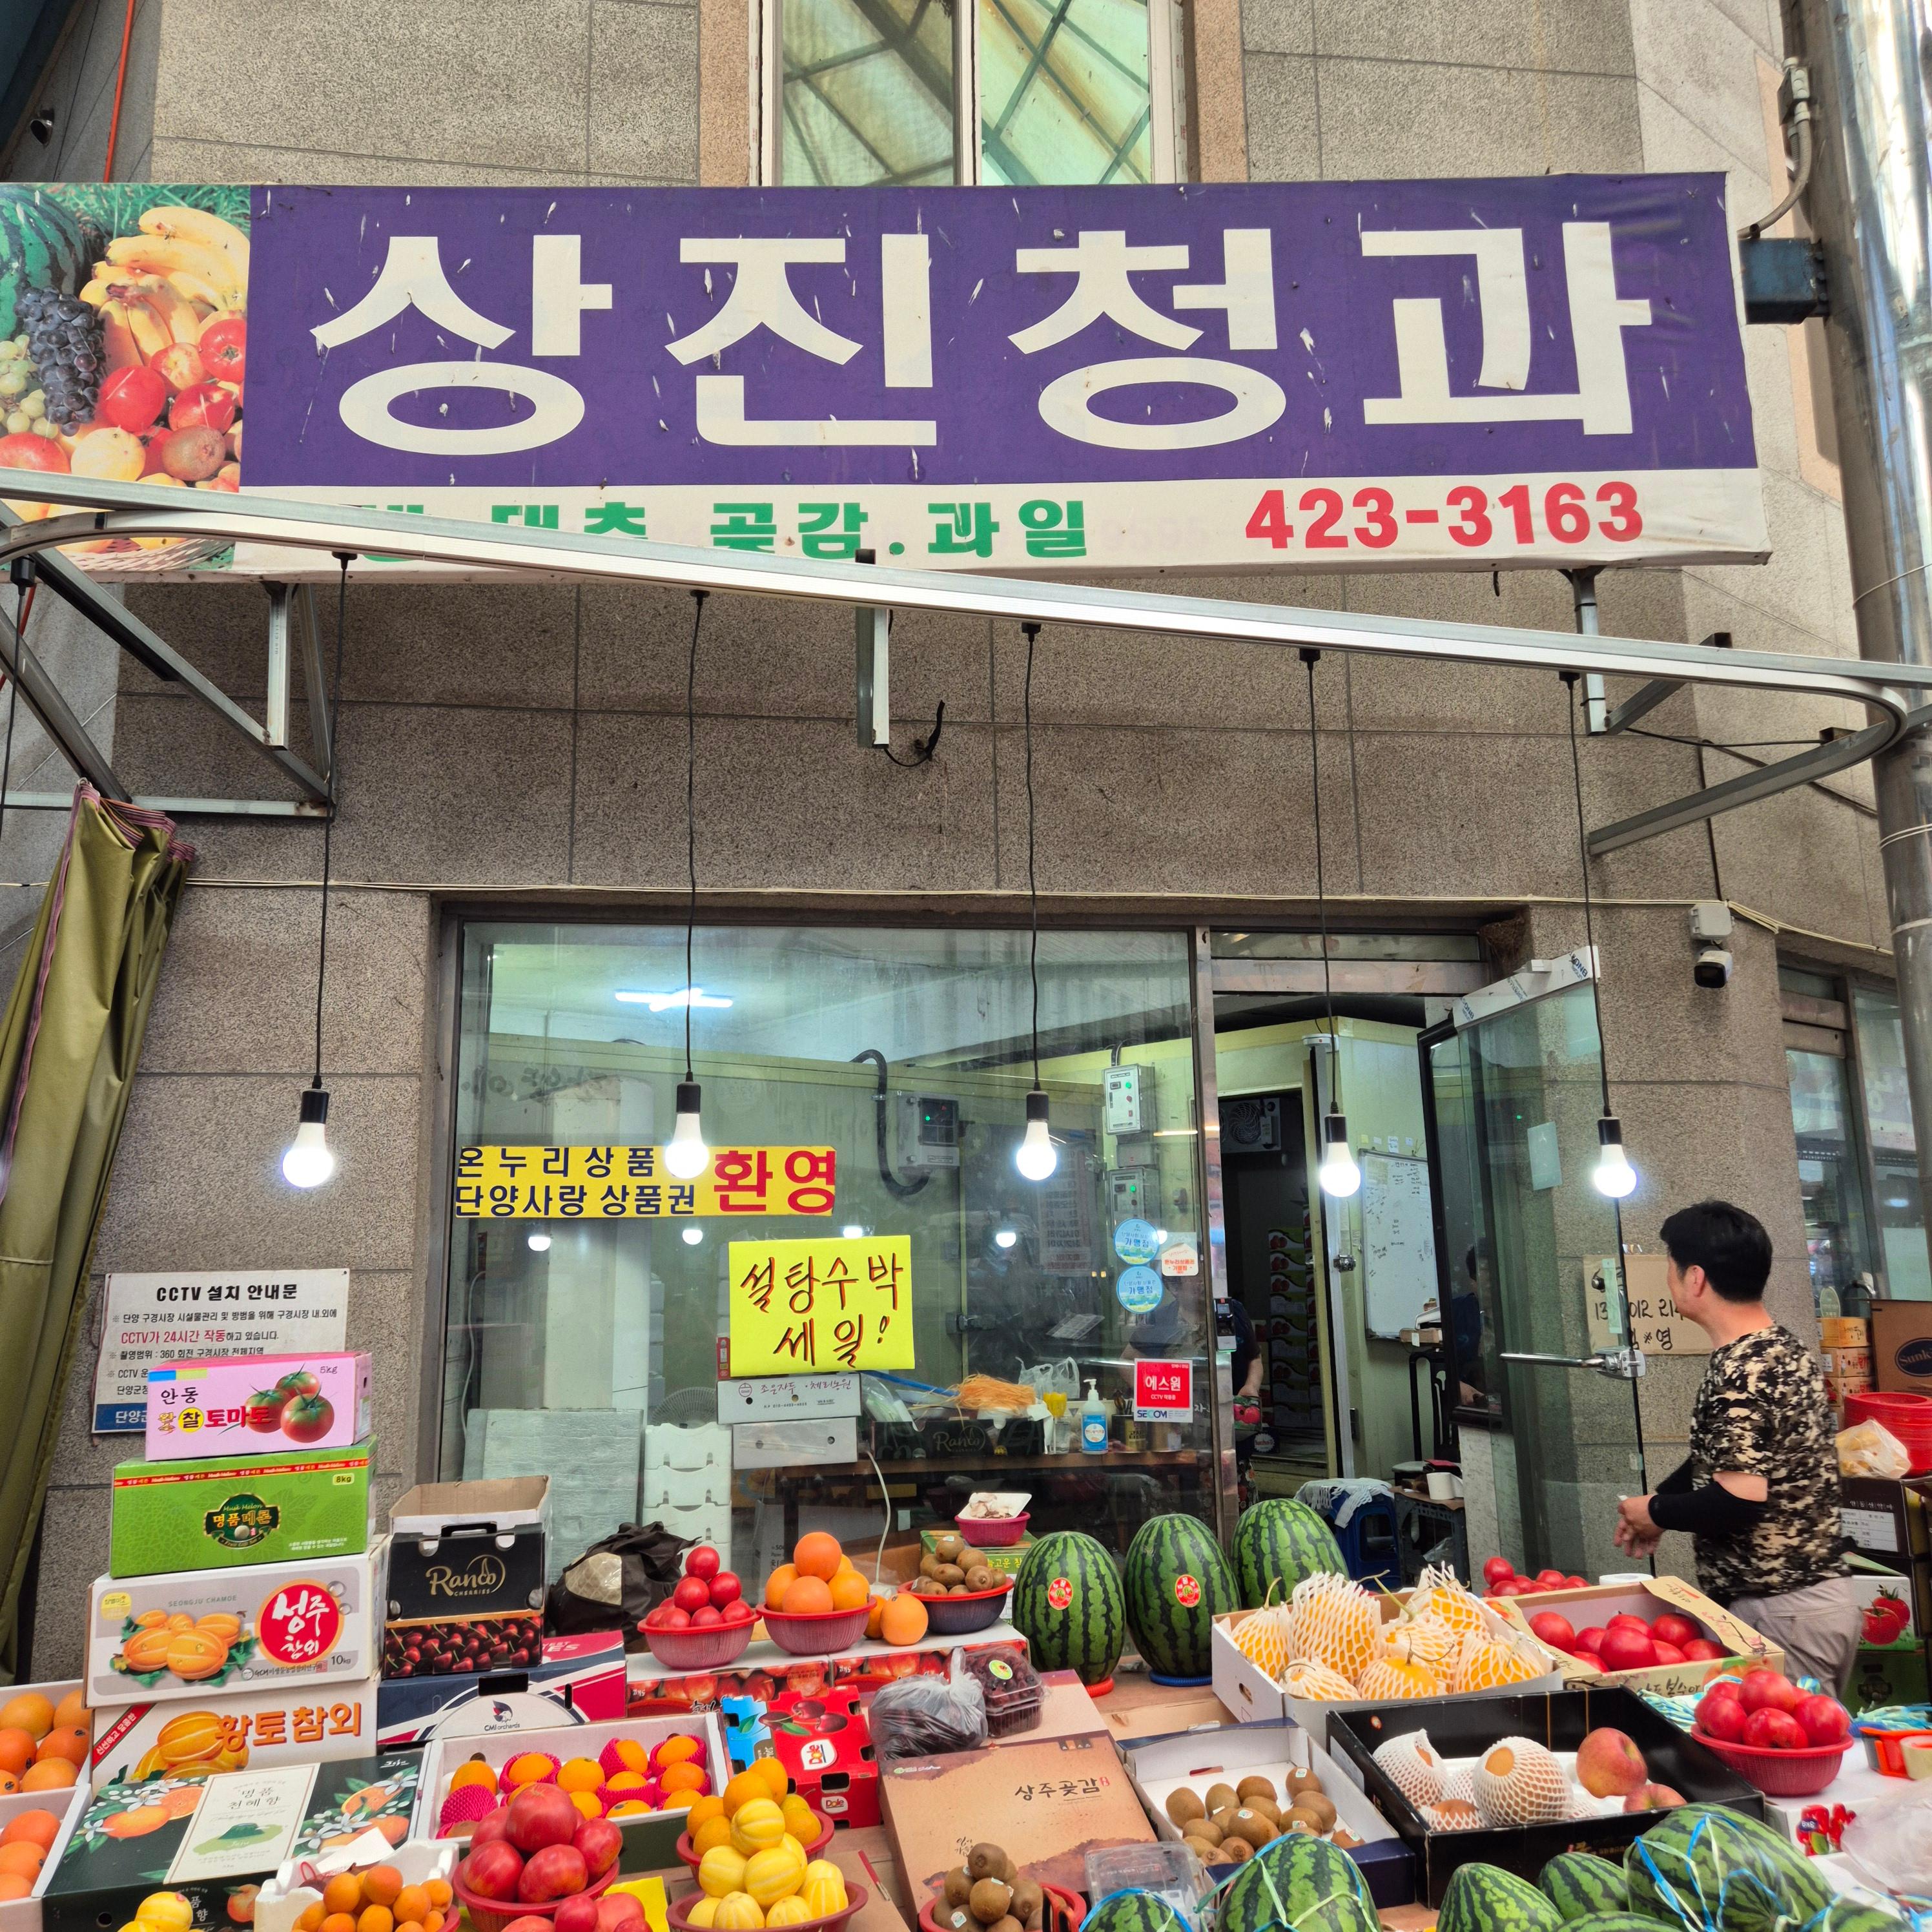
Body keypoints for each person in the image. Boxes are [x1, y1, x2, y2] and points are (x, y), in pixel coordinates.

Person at [1612, 1200, 1859, 1692]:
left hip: (1783, 1611)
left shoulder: (1740, 1373)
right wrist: (1663, 1499)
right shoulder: (1782, 1348)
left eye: (1671, 1268)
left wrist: (1657, 1510)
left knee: (1789, 1766)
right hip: (1814, 1604)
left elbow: (1739, 1498)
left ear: (1695, 1278)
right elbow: (1725, 1458)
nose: (1669, 1279)